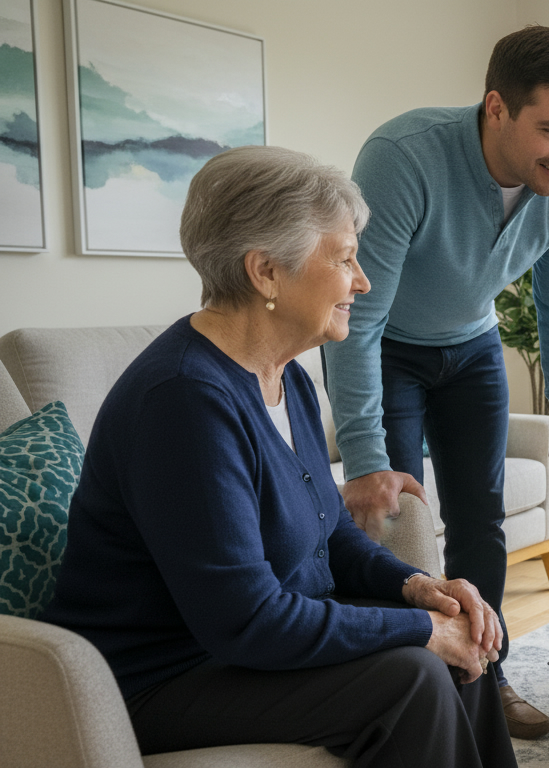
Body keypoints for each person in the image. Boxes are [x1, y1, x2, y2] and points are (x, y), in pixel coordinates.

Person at [40, 146, 515, 768]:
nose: (363, 280)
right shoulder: (184, 400)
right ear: (265, 272)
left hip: (245, 648)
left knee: (463, 645)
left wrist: (419, 589)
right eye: (345, 258)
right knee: (415, 676)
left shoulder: (286, 376)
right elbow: (247, 620)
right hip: (159, 677)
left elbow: (331, 533)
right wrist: (422, 631)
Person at [321, 25, 549, 738]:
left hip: (473, 348)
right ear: (496, 109)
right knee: (401, 520)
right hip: (390, 349)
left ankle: (489, 677)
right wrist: (363, 456)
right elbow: (358, 309)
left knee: (481, 521)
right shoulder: (402, 158)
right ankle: (411, 681)